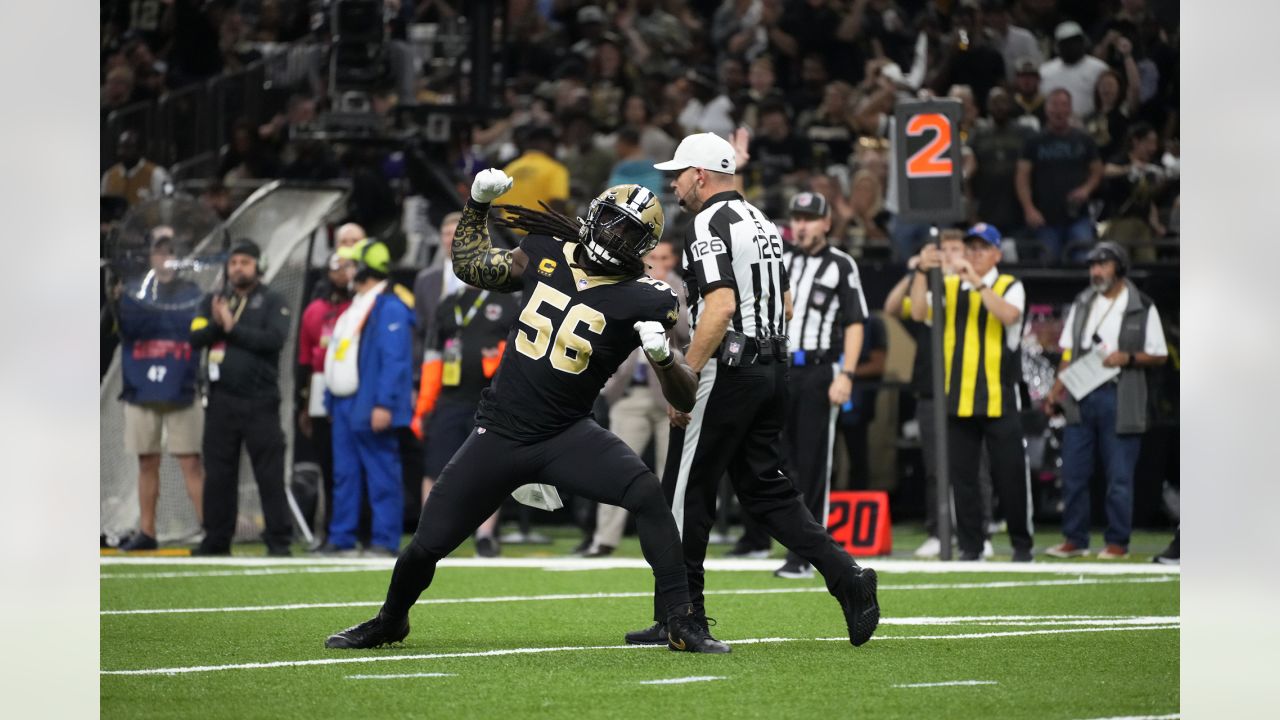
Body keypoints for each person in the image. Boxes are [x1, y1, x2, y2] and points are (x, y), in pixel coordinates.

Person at [325, 174, 730, 654]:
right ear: (594, 214)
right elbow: (472, 265)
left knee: (647, 495)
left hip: (567, 434)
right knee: (428, 543)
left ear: (641, 245)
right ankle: (391, 620)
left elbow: (683, 398)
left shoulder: (650, 298)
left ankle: (681, 622)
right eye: (611, 224)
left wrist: (664, 358)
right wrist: (476, 204)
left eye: (627, 233)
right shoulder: (546, 249)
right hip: (500, 429)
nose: (613, 237)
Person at [625, 132, 880, 649]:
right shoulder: (764, 221)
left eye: (679, 174)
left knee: (684, 494)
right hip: (774, 367)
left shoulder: (706, 222)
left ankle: (682, 615)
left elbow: (718, 307)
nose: (673, 184)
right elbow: (783, 302)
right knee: (767, 491)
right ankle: (846, 576)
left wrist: (686, 379)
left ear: (700, 175)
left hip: (728, 368)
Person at [911, 223, 1034, 562]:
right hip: (958, 398)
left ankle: (1022, 546)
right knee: (962, 480)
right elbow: (919, 312)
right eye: (971, 247)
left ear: (996, 253)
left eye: (982, 248)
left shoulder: (1010, 285)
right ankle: (971, 546)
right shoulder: (949, 286)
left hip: (998, 395)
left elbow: (1009, 316)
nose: (975, 254)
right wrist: (922, 271)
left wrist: (977, 281)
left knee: (1010, 476)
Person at [1045, 242, 1167, 559]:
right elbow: (1069, 353)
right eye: (1093, 265)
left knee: (1119, 476)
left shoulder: (1141, 305)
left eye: (1104, 265)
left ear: (1120, 268)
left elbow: (1159, 354)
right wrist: (1055, 390)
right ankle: (1075, 538)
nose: (1096, 271)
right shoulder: (1083, 302)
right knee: (1074, 472)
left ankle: (1117, 542)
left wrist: (1126, 357)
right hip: (1081, 395)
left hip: (1119, 395)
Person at [772, 191, 868, 579]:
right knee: (778, 460)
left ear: (827, 223)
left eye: (810, 218)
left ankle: (807, 555)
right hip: (780, 368)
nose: (802, 224)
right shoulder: (782, 259)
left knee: (813, 463)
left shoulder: (842, 265)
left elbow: (856, 322)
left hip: (818, 370)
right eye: (797, 216)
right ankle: (781, 541)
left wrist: (846, 374)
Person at [190, 239, 294, 556]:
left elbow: (275, 339)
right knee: (218, 474)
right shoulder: (213, 300)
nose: (238, 268)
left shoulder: (274, 300)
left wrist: (231, 327)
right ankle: (216, 539)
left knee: (269, 473)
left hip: (260, 402)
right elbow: (195, 335)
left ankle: (278, 540)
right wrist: (219, 322)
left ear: (257, 266)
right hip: (221, 401)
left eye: (244, 262)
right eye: (233, 262)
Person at [411, 255, 519, 558]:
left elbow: (519, 350)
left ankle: (484, 535)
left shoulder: (507, 302)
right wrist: (424, 405)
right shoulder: (449, 303)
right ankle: (429, 531)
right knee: (435, 466)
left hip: (489, 400)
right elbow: (432, 355)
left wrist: (495, 357)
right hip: (448, 398)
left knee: (489, 470)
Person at [588, 236, 689, 557]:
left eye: (663, 257)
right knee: (615, 468)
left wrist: (664, 298)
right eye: (652, 257)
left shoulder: (684, 290)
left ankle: (676, 542)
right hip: (630, 393)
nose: (657, 263)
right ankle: (603, 539)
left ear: (673, 261)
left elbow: (689, 332)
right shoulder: (628, 286)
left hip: (669, 394)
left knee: (670, 472)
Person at [317, 240, 415, 557]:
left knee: (381, 470)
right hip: (346, 401)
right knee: (344, 473)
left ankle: (384, 540)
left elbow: (395, 360)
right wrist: (332, 399)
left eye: (350, 265)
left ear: (363, 267)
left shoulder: (390, 306)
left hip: (370, 401)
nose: (345, 271)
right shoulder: (358, 302)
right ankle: (341, 536)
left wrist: (384, 403)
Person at [114, 227, 205, 550]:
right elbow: (122, 332)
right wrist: (114, 299)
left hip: (181, 386)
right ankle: (148, 532)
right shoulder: (133, 292)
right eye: (160, 251)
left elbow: (197, 334)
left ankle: (210, 533)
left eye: (171, 252)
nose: (166, 258)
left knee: (190, 461)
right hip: (141, 387)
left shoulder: (193, 293)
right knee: (146, 461)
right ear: (151, 255)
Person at [296, 251, 355, 546]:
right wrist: (304, 407)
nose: (342, 273)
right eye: (337, 268)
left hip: (353, 391)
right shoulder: (314, 311)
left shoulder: (359, 307)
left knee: (351, 466)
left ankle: (356, 531)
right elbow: (306, 363)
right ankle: (329, 528)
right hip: (321, 391)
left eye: (348, 267)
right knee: (327, 465)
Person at [1016, 89, 1103, 264]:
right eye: (1054, 105)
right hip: (1045, 218)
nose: (1059, 110)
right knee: (1048, 263)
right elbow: (1021, 177)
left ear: (1070, 109)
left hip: (1078, 216)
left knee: (1084, 261)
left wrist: (1086, 189)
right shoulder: (1034, 141)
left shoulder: (1084, 139)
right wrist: (1029, 209)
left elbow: (1097, 170)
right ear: (1046, 109)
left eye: (1064, 105)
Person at [1038, 21, 1109, 120]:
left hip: (1091, 124)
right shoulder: (1045, 71)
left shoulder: (1099, 68)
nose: (1071, 46)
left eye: (1074, 42)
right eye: (1066, 43)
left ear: (1082, 43)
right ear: (1058, 46)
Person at [101, 130, 171, 207]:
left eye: (128, 147)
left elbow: (166, 206)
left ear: (140, 150)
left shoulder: (157, 174)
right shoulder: (109, 176)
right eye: (120, 147)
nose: (122, 152)